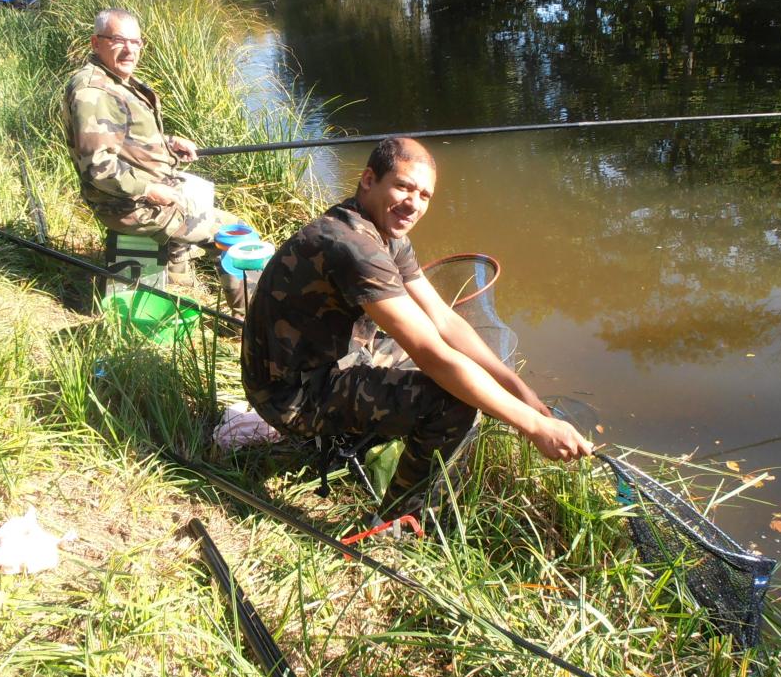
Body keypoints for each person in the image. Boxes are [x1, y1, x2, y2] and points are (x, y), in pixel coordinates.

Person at [241, 136, 594, 516]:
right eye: (404, 187)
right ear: (369, 179)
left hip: (322, 362)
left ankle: (374, 444)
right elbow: (431, 352)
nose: (414, 204)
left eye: (424, 195)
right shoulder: (352, 247)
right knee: (453, 402)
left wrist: (520, 390)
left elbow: (445, 321)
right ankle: (393, 521)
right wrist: (534, 427)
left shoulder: (386, 234)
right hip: (290, 394)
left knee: (457, 372)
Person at [61, 8, 241, 286]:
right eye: (119, 40)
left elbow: (122, 140)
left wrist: (169, 144)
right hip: (130, 206)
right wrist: (149, 190)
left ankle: (177, 279)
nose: (129, 50)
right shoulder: (93, 93)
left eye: (136, 42)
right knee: (238, 235)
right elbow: (98, 167)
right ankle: (247, 321)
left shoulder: (113, 79)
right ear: (96, 42)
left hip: (139, 195)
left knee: (197, 192)